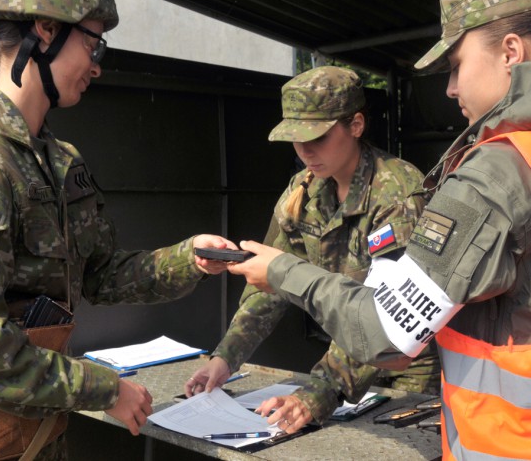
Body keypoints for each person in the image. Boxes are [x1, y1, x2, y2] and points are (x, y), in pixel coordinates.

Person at [228, 0, 531, 460]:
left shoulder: (503, 170)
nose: (450, 87)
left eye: (457, 64)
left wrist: (280, 269)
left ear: (510, 52)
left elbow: (387, 333)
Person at [0, 0, 236, 459]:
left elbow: (100, 274)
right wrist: (105, 388)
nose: (96, 64)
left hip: (39, 434)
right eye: (92, 43)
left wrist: (190, 258)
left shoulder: (57, 161)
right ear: (45, 31)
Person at [185, 66, 435, 430]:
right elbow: (268, 287)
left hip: (407, 371)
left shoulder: (397, 195)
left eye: (316, 137)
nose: (304, 151)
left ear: (356, 125)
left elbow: (389, 315)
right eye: (296, 139)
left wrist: (319, 392)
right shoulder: (306, 190)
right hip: (344, 362)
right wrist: (224, 359)